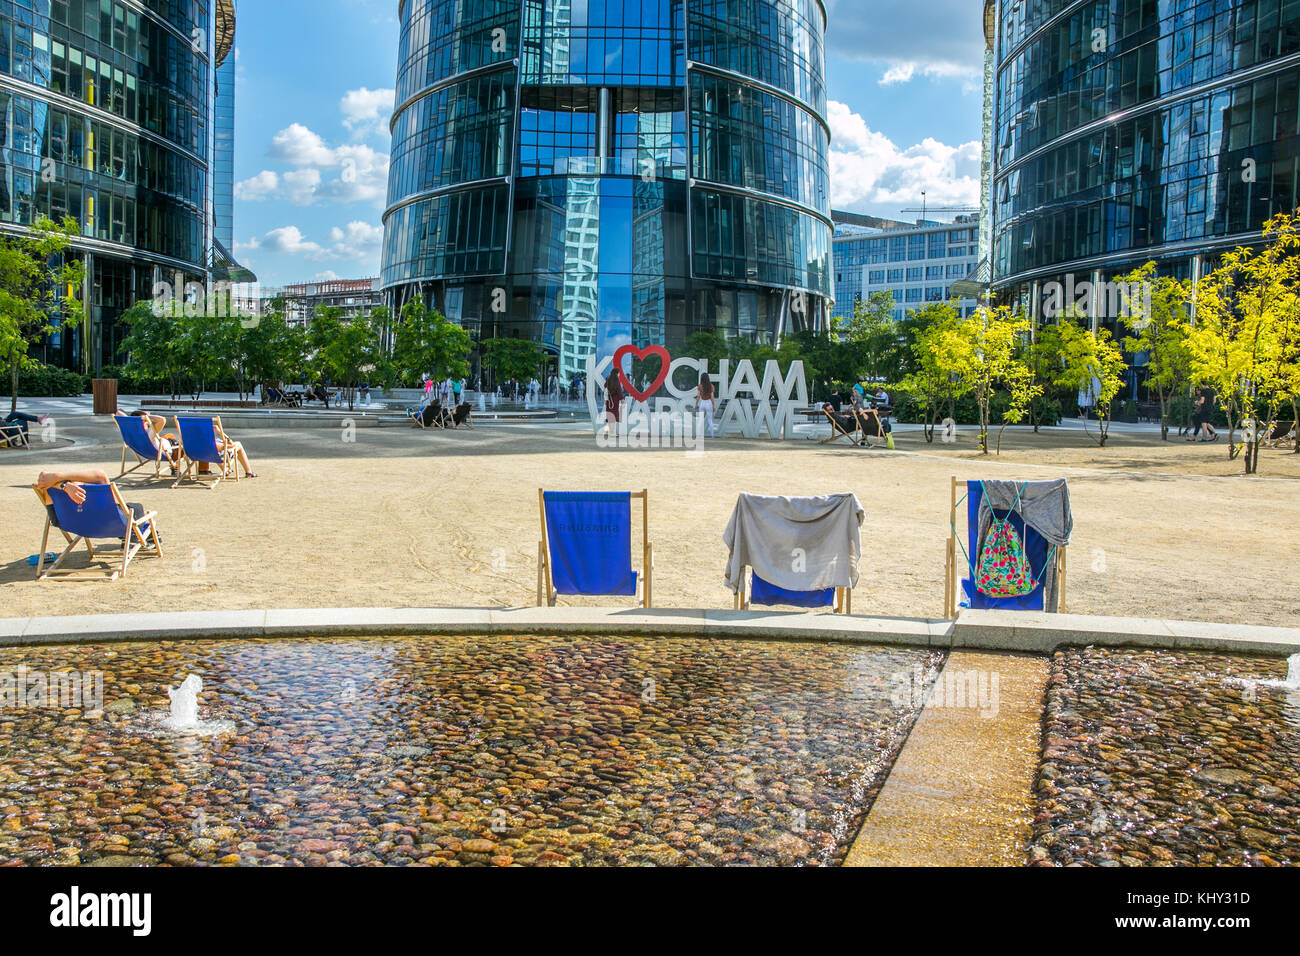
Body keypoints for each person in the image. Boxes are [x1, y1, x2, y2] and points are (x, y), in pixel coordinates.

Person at [696, 372, 716, 438]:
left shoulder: (700, 386)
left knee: (700, 420)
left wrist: (696, 404)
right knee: (710, 420)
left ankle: (698, 435)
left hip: (702, 402)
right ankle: (712, 435)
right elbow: (712, 397)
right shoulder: (711, 386)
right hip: (709, 403)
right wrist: (713, 406)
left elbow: (698, 396)